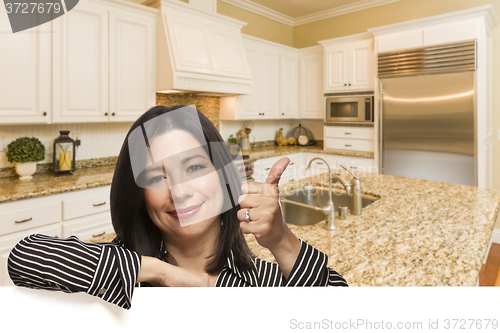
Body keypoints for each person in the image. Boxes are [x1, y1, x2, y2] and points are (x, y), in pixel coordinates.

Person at [8, 105, 347, 310]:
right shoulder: (119, 276)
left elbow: (341, 311)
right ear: (138, 193)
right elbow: (25, 257)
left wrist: (281, 240)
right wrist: (165, 273)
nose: (180, 191)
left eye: (195, 168)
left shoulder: (264, 281)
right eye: (157, 176)